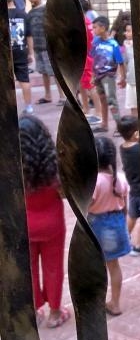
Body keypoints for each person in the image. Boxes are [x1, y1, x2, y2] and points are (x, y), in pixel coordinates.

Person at [19, 115, 69, 328]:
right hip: (52, 224)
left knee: (27, 268)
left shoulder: (14, 168)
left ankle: (34, 308)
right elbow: (64, 193)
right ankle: (55, 313)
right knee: (53, 268)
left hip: (24, 224)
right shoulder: (54, 166)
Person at [89, 135, 130, 316]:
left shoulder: (94, 182)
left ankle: (96, 300)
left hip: (98, 224)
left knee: (97, 266)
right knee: (114, 265)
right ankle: (115, 302)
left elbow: (88, 205)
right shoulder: (119, 178)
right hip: (116, 222)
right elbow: (125, 205)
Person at [25, 0, 59, 105]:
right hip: (38, 48)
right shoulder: (29, 13)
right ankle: (48, 95)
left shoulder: (47, 9)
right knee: (43, 72)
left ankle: (63, 96)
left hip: (48, 47)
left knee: (54, 72)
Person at [117, 115, 140, 256]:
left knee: (132, 215)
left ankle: (123, 238)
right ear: (136, 133)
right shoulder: (139, 149)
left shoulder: (123, 147)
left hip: (134, 188)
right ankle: (138, 246)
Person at [90, 16, 125, 132]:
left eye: (95, 27)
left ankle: (119, 126)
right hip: (97, 76)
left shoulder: (113, 44)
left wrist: (122, 77)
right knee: (102, 99)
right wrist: (92, 75)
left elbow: (120, 62)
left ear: (103, 28)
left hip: (108, 76)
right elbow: (93, 58)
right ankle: (104, 125)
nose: (93, 30)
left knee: (111, 100)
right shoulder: (95, 42)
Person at [7, 0, 33, 115]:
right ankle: (29, 107)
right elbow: (29, 35)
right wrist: (31, 53)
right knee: (24, 79)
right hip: (21, 49)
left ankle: (9, 108)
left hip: (6, 53)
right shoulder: (23, 14)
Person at [120, 21, 138, 116]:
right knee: (132, 106)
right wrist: (123, 77)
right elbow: (124, 61)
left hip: (138, 80)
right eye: (126, 31)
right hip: (130, 80)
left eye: (128, 31)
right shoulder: (125, 45)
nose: (126, 33)